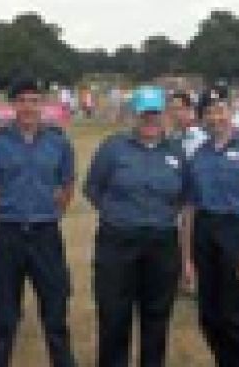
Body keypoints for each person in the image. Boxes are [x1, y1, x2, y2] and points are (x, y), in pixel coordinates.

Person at [84, 85, 187, 367]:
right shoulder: (113, 147)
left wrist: (159, 217)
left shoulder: (177, 152)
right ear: (135, 116)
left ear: (164, 115)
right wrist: (119, 215)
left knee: (156, 317)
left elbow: (183, 194)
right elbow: (93, 187)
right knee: (114, 316)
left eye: (155, 114)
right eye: (145, 115)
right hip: (118, 243)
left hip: (162, 244)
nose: (151, 121)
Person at [0, 78, 76, 367]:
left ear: (42, 104)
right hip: (9, 233)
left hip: (45, 233)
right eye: (22, 101)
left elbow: (67, 184)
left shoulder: (59, 143)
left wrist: (49, 210)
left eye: (33, 101)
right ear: (13, 105)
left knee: (55, 310)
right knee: (5, 314)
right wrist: (9, 210)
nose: (28, 107)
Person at [182, 90, 239, 367]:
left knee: (235, 317)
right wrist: (187, 257)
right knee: (209, 316)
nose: (216, 117)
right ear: (202, 117)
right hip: (205, 232)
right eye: (209, 112)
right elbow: (190, 208)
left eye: (221, 110)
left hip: (236, 232)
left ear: (230, 112)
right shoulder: (198, 155)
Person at [166, 90, 206, 158]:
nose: (176, 114)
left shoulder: (202, 138)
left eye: (178, 109)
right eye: (173, 109)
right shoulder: (171, 137)